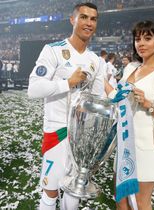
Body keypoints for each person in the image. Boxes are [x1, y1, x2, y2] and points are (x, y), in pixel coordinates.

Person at [27, 3, 104, 210]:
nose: (89, 23)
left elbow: (97, 98)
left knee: (74, 190)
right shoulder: (53, 50)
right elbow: (33, 89)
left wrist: (88, 104)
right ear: (73, 20)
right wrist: (67, 83)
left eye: (93, 19)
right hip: (57, 132)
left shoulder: (97, 61)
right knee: (50, 190)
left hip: (82, 138)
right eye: (84, 17)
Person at [106, 20, 154, 210]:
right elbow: (117, 96)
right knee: (121, 201)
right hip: (124, 146)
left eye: (147, 38)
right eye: (137, 39)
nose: (141, 43)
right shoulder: (131, 68)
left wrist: (148, 104)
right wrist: (99, 78)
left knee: (140, 203)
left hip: (148, 149)